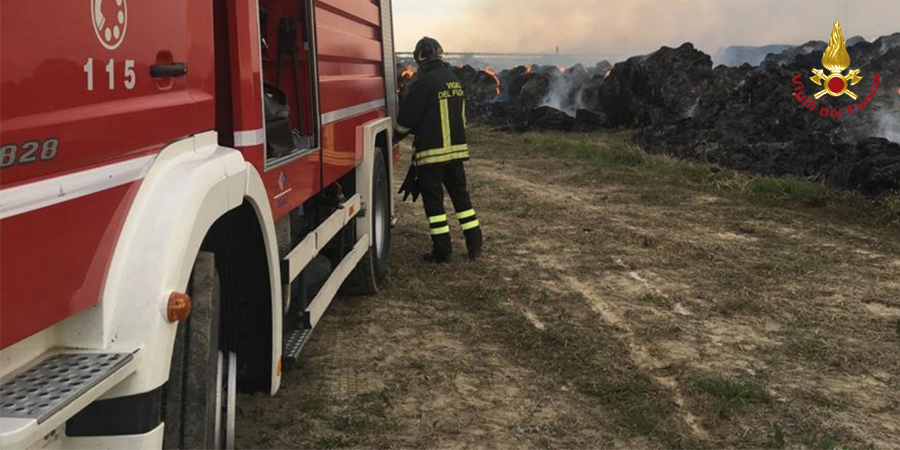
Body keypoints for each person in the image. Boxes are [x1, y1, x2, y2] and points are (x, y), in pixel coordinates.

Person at [394, 37, 483, 263]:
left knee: (434, 205)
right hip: (456, 152)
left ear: (420, 58)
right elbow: (461, 118)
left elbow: (407, 118)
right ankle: (475, 244)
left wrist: (394, 136)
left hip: (431, 155)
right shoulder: (453, 80)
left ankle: (443, 252)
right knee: (461, 199)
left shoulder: (424, 83)